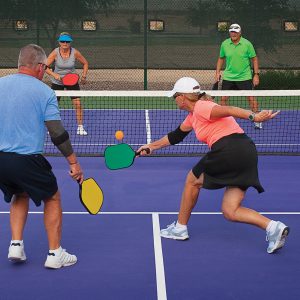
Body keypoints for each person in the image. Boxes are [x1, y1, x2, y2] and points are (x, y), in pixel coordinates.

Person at [138, 77, 289, 254]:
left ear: (183, 96)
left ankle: (180, 228)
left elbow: (229, 109)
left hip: (229, 149)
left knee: (192, 180)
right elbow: (176, 136)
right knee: (230, 210)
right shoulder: (193, 116)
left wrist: (254, 116)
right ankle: (273, 227)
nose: (174, 100)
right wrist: (151, 146)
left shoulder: (203, 106)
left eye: (175, 96)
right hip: (246, 153)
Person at [0, 44, 84, 269]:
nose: (44, 71)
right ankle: (55, 253)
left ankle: (16, 245)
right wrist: (74, 163)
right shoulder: (44, 92)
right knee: (53, 197)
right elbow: (57, 133)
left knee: (20, 193)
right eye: (44, 67)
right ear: (38, 66)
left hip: (1, 160)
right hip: (27, 159)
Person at [215, 23, 262, 129]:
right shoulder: (224, 44)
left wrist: (256, 75)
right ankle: (224, 120)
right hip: (228, 77)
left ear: (240, 33)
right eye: (231, 31)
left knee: (251, 99)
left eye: (235, 32)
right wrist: (217, 72)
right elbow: (221, 58)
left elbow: (254, 59)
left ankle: (257, 120)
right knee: (223, 99)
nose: (233, 34)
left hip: (244, 77)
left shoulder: (247, 44)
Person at [46, 32, 89, 135]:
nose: (65, 43)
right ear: (59, 42)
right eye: (63, 41)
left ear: (70, 42)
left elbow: (85, 63)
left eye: (67, 41)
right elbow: (44, 66)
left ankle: (80, 127)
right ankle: (53, 127)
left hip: (72, 81)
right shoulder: (55, 53)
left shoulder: (75, 52)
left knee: (77, 104)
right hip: (57, 82)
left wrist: (83, 76)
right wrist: (54, 74)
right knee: (53, 105)